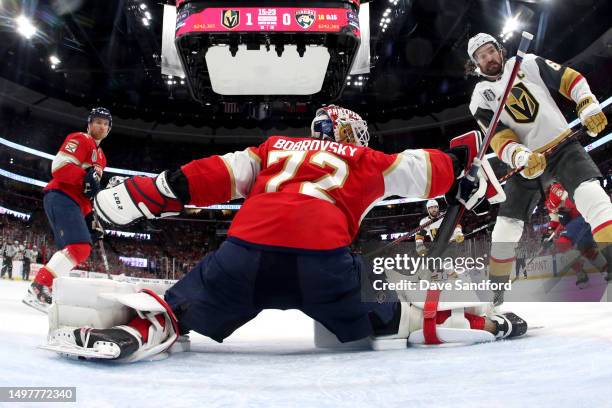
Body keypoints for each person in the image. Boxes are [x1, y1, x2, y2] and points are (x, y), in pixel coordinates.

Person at [47, 106, 526, 362]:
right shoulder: (364, 159)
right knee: (400, 317)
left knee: (179, 306)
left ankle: (142, 327)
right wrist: (464, 169)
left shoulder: (274, 147)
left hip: (246, 255)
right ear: (345, 133)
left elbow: (212, 175)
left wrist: (143, 195)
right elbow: (426, 169)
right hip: (325, 268)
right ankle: (480, 322)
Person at [466, 33, 612, 304]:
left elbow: (570, 79)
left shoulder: (528, 63)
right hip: (526, 163)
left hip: (563, 146)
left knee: (595, 200)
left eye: (490, 51)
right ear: (475, 64)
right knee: (504, 230)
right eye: (480, 56)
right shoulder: (479, 98)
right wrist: (519, 155)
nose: (488, 58)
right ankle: (495, 294)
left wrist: (587, 103)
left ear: (500, 50)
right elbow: (497, 137)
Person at [22, 108, 111, 312]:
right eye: (98, 122)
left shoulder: (102, 157)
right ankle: (39, 287)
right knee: (79, 246)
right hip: (62, 196)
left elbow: (88, 191)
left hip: (75, 203)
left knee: (82, 249)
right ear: (89, 124)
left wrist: (91, 217)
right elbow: (59, 168)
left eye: (106, 124)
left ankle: (43, 286)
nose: (102, 126)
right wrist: (84, 179)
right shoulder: (80, 139)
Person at [543, 183, 608, 288]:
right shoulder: (548, 202)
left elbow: (572, 198)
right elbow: (555, 219)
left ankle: (581, 274)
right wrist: (548, 234)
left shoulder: (555, 187)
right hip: (577, 223)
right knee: (587, 249)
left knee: (562, 243)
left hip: (580, 217)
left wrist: (565, 210)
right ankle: (606, 270)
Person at [415, 199, 464, 280]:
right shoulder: (425, 221)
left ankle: (454, 279)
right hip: (437, 244)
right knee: (430, 260)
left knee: (445, 261)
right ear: (428, 209)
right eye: (431, 207)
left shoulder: (446, 216)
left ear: (438, 208)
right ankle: (434, 277)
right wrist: (419, 245)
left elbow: (456, 225)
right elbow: (420, 235)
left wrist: (458, 233)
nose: (434, 209)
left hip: (450, 242)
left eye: (435, 207)